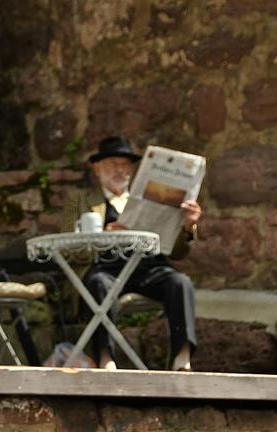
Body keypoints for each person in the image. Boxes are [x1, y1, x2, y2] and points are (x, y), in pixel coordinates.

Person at [62, 136, 201, 372]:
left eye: (126, 164)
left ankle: (182, 357)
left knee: (180, 282)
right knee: (97, 283)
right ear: (97, 168)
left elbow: (177, 253)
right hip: (107, 269)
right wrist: (102, 236)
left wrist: (188, 226)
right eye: (113, 163)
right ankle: (106, 359)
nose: (120, 169)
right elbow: (68, 247)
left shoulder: (147, 200)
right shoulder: (80, 200)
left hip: (148, 267)